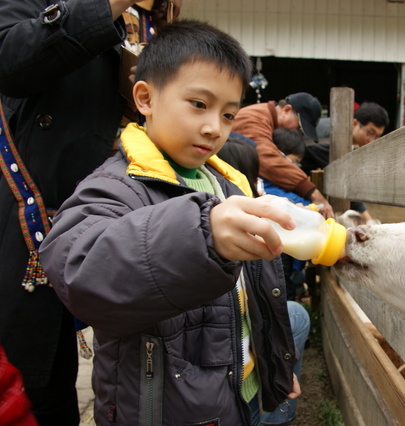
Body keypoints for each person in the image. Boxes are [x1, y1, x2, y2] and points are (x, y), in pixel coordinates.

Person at [40, 20, 303, 426]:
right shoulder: (119, 185)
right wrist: (200, 235)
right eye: (199, 104)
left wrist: (272, 368)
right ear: (145, 98)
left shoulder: (229, 184)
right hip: (168, 409)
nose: (214, 127)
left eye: (229, 114)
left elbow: (253, 298)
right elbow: (76, 267)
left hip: (240, 392)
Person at [0, 1, 180, 424]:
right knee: (29, 386)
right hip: (29, 217)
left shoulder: (152, 19)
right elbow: (11, 60)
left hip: (108, 217)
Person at [216, 134, 310, 425]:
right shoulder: (242, 229)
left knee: (293, 313)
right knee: (294, 314)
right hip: (228, 380)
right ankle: (277, 414)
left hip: (236, 365)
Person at [232, 92, 336, 219]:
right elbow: (268, 160)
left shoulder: (264, 118)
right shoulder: (253, 119)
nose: (299, 134)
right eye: (299, 127)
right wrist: (314, 193)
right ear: (286, 110)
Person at [301, 101, 390, 224]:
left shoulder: (338, 127)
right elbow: (345, 183)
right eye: (370, 133)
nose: (372, 141)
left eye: (377, 136)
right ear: (355, 123)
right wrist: (368, 220)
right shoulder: (330, 141)